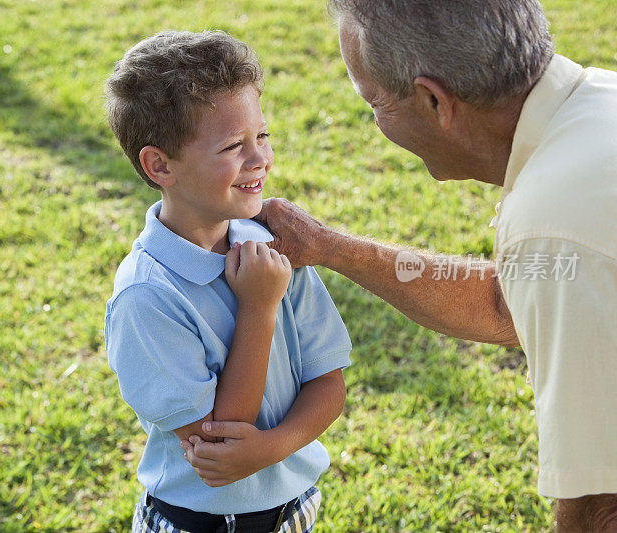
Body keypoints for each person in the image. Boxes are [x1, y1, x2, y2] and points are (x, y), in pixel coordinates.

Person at [183, 0, 617, 529]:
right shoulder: (597, 108)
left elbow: (603, 501)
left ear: (434, 100)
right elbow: (510, 305)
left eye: (374, 102)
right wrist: (328, 247)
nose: (374, 121)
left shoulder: (558, 226)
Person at [103, 30, 353, 532]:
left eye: (262, 136)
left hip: (295, 506)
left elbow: (328, 381)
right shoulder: (148, 295)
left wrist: (274, 448)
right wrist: (259, 309)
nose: (259, 158)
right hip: (200, 522)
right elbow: (219, 443)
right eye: (234, 145)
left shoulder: (275, 246)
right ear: (160, 165)